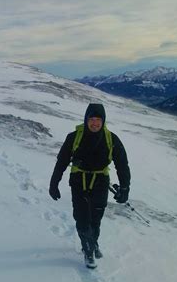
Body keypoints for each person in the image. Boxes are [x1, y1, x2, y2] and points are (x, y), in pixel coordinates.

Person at [49, 103, 131, 269]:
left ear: (103, 121)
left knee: (96, 218)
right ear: (86, 119)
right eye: (91, 119)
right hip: (79, 181)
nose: (94, 123)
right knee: (81, 217)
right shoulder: (74, 137)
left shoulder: (111, 139)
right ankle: (88, 250)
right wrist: (54, 183)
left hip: (101, 182)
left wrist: (125, 188)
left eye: (98, 120)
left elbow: (122, 164)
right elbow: (62, 161)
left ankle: (93, 242)